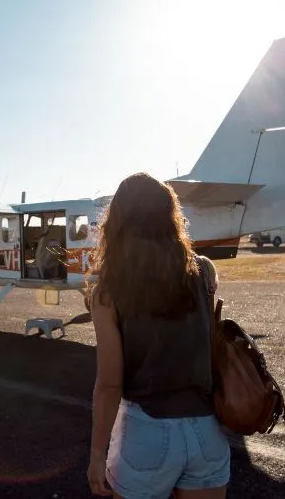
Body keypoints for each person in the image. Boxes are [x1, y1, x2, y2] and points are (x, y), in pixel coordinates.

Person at [86, 172, 230, 498]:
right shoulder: (204, 270)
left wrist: (97, 456)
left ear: (118, 222)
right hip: (207, 431)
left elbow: (110, 383)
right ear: (170, 216)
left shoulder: (107, 292)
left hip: (147, 432)